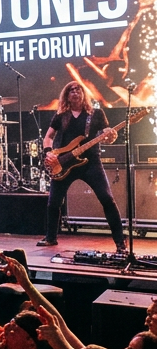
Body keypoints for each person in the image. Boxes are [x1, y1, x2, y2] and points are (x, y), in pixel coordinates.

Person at [39, 80, 124, 249]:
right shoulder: (61, 115)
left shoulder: (96, 114)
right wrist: (49, 152)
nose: (75, 92)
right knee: (54, 202)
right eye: (71, 90)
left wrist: (110, 135)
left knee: (107, 199)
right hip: (64, 163)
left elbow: (107, 135)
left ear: (84, 94)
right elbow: (48, 136)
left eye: (78, 89)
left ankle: (120, 242)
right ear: (66, 95)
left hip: (91, 162)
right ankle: (50, 237)